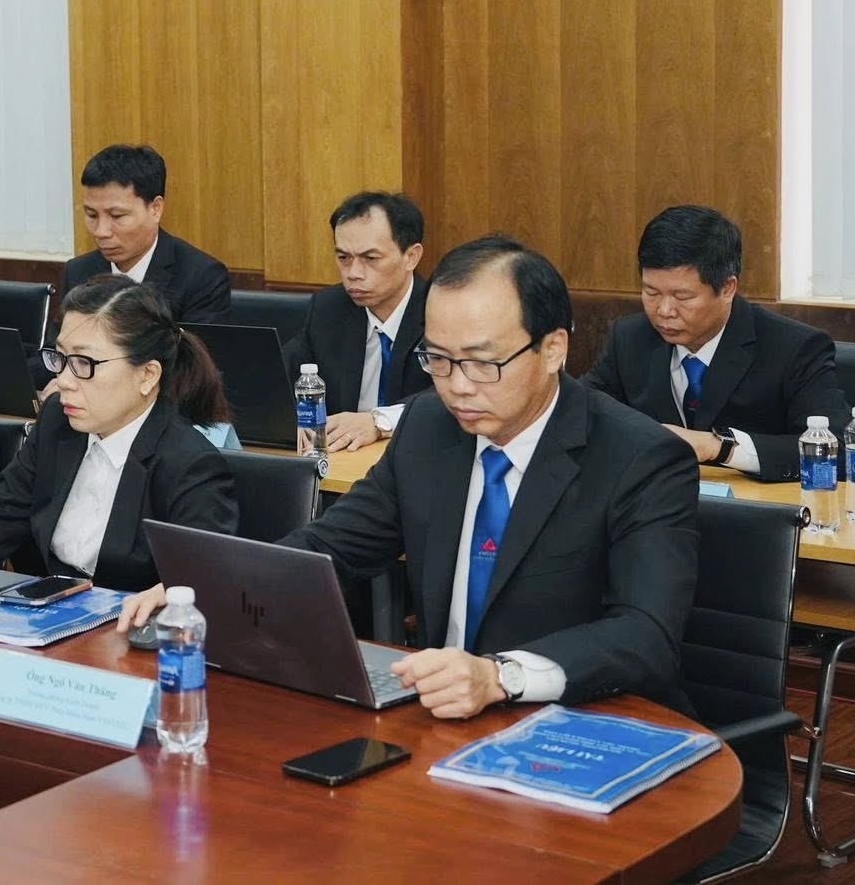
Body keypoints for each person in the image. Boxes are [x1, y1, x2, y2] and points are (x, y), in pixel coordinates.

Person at [122, 235, 699, 720]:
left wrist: (502, 676)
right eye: (439, 360)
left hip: (583, 720)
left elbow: (645, 635)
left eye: (483, 362)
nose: (458, 386)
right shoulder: (429, 427)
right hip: (442, 719)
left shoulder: (638, 458)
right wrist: (212, 586)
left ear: (552, 350)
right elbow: (331, 546)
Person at [0, 276, 238, 592]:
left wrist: (170, 592)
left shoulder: (189, 464)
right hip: (45, 612)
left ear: (147, 375)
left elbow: (204, 582)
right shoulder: (57, 423)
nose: (63, 380)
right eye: (60, 358)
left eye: (84, 363)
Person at [585, 205, 851, 483]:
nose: (664, 310)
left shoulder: (794, 348)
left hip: (752, 506)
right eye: (651, 292)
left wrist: (719, 447)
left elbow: (837, 450)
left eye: (682, 297)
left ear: (727, 288)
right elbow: (580, 412)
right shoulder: (629, 338)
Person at [36, 144, 230, 383]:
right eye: (92, 215)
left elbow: (195, 374)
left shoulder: (201, 276)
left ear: (155, 209)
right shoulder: (79, 271)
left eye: (117, 216)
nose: (101, 231)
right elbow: (55, 354)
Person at [284, 191, 433, 452]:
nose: (353, 273)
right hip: (344, 460)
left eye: (370, 258)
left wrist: (379, 421)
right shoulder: (328, 309)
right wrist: (291, 421)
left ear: (411, 256)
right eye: (344, 258)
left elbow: (450, 398)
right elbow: (282, 379)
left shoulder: (440, 314)